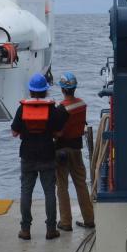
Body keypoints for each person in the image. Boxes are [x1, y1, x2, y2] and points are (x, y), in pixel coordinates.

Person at [11, 73, 68, 240]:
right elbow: (58, 132)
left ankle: (25, 229)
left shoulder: (22, 108)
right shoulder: (52, 109)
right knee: (49, 191)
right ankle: (51, 229)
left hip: (27, 155)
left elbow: (14, 132)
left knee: (26, 192)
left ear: (31, 91)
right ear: (45, 92)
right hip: (47, 154)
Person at [53, 72, 95, 232]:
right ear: (74, 88)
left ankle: (65, 222)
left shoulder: (61, 109)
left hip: (62, 150)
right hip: (77, 148)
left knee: (62, 185)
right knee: (81, 183)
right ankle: (89, 219)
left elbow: (57, 132)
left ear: (63, 89)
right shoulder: (82, 105)